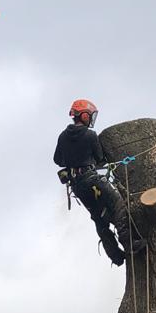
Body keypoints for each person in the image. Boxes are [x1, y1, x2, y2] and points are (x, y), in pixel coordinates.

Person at [53, 98, 135, 266]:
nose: (91, 119)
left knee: (98, 217)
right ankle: (129, 243)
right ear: (83, 115)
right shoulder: (90, 135)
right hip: (91, 179)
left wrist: (72, 159)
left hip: (77, 186)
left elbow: (57, 160)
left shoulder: (63, 136)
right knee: (118, 205)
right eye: (90, 116)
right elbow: (100, 158)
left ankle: (116, 256)